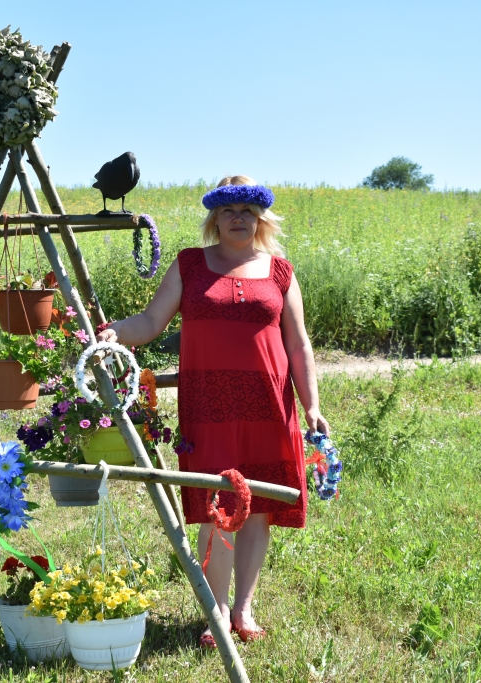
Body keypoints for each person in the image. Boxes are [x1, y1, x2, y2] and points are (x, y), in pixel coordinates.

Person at [97, 175, 329, 648]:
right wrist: (112, 333)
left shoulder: (280, 271)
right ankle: (216, 609)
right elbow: (150, 322)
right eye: (228, 210)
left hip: (269, 405)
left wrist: (312, 407)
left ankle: (244, 605)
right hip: (210, 406)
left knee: (259, 508)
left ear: (259, 216)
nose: (238, 218)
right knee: (219, 505)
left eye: (247, 209)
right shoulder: (190, 265)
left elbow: (299, 344)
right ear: (215, 218)